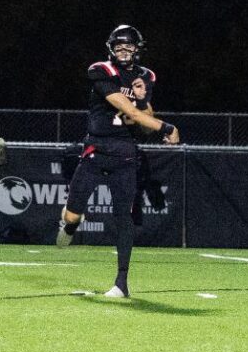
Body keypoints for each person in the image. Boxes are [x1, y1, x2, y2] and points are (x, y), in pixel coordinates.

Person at [56, 25, 179, 298]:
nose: (124, 52)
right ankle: (70, 223)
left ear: (138, 49)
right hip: (96, 147)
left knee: (124, 218)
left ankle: (121, 283)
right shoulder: (101, 71)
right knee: (73, 214)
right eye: (120, 47)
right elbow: (128, 111)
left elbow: (143, 124)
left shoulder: (146, 76)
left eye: (129, 47)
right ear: (111, 49)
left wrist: (145, 98)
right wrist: (165, 127)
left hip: (125, 151)